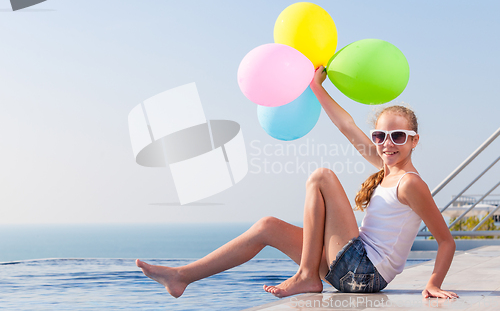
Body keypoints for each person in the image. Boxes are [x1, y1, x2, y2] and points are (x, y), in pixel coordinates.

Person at [136, 66, 458, 299]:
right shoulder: (385, 168)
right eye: (380, 136)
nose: (388, 144)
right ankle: (182, 277)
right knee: (267, 226)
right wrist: (316, 87)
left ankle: (306, 276)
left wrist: (432, 283)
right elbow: (346, 126)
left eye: (398, 136)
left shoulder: (410, 184)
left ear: (415, 140)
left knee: (322, 177)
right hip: (352, 267)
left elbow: (446, 241)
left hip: (365, 272)